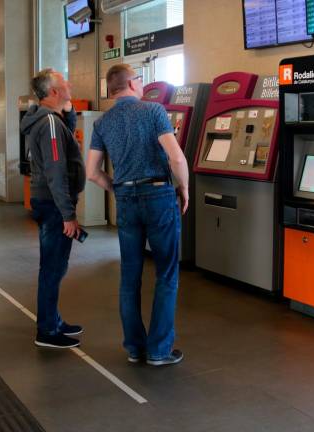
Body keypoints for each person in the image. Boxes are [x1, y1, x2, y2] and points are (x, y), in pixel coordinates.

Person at [86, 64, 189, 366]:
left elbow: (92, 172)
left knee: (129, 276)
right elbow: (176, 156)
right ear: (131, 84)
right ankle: (158, 350)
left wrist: (116, 189)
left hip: (126, 198)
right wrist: (184, 187)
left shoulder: (102, 122)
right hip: (158, 194)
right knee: (166, 273)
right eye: (140, 79)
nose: (143, 83)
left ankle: (134, 347)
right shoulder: (154, 111)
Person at [20, 68, 85, 349]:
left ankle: (54, 320)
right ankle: (46, 330)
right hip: (53, 204)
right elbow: (56, 170)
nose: (70, 83)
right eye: (64, 82)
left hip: (49, 202)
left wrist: (68, 111)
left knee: (55, 265)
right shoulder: (48, 123)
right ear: (54, 92)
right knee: (53, 267)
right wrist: (68, 214)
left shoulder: (50, 120)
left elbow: (64, 139)